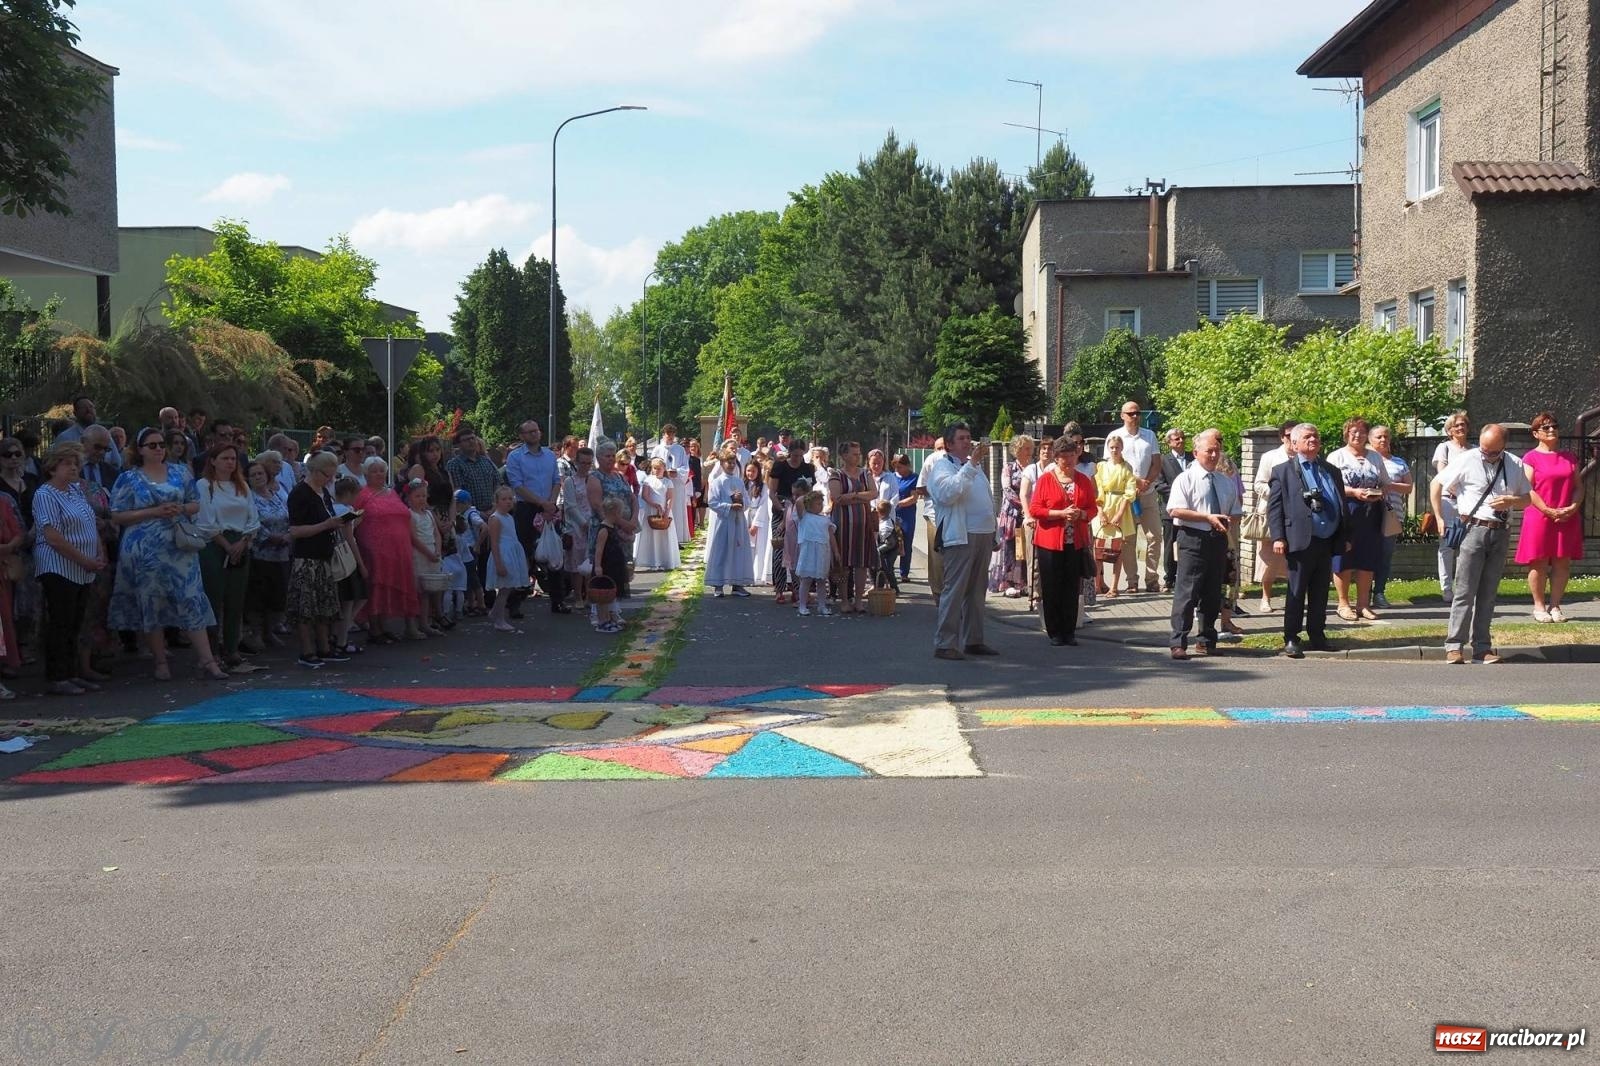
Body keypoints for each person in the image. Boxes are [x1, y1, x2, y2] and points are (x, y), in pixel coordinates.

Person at [108, 427, 225, 680]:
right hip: (144, 549)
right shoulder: (128, 478)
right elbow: (117, 514)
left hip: (178, 546)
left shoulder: (180, 472)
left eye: (161, 444)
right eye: (152, 445)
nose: (159, 448)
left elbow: (196, 503)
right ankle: (160, 662)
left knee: (190, 597)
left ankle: (207, 660)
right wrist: (153, 512)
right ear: (139, 449)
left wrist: (180, 508)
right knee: (152, 603)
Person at [1431, 424, 1534, 664]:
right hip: (1474, 529)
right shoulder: (1468, 459)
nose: (1486, 455)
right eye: (1483, 449)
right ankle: (1454, 646)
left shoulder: (1514, 464)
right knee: (1465, 591)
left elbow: (1527, 499)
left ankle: (1482, 648)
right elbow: (1437, 483)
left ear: (1503, 447)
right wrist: (1439, 517)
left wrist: (1511, 500)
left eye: (1492, 452)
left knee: (1488, 593)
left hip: (1501, 531)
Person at [31, 443, 108, 695]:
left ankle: (73, 672)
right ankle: (57, 676)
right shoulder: (45, 494)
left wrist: (98, 552)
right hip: (59, 567)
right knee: (60, 622)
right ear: (52, 468)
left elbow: (89, 523)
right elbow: (53, 536)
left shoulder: (75, 491)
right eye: (67, 463)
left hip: (84, 568)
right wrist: (83, 559)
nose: (74, 467)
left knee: (76, 621)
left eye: (76, 463)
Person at [1268, 423, 1349, 659]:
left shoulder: (1331, 470)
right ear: (1294, 444)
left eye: (1316, 436)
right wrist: (1278, 537)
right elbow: (1275, 509)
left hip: (1326, 541)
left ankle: (1317, 635)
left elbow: (1341, 503)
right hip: (1299, 541)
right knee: (1296, 591)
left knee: (1321, 592)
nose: (1313, 439)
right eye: (1307, 437)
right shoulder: (1283, 471)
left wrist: (1344, 536)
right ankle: (1291, 637)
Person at [1165, 429, 1242, 660]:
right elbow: (1175, 510)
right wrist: (1207, 517)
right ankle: (1178, 641)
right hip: (1193, 538)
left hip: (1217, 539)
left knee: (1211, 593)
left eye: (1217, 451)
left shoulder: (1225, 481)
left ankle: (1207, 640)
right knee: (1187, 592)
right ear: (1196, 452)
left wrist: (1229, 520)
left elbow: (1236, 510)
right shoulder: (1186, 478)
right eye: (1209, 450)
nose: (1214, 454)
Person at [927, 422, 998, 660]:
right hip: (960, 535)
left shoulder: (973, 467)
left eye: (969, 437)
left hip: (982, 534)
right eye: (961, 439)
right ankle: (945, 643)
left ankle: (974, 640)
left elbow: (986, 499)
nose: (968, 442)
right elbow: (948, 494)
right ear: (949, 444)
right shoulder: (941, 467)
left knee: (978, 591)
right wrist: (971, 465)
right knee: (955, 590)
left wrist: (993, 531)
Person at [1027, 435, 1097, 646]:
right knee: (1052, 586)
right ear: (1056, 458)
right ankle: (1055, 631)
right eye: (1064, 456)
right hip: (1049, 542)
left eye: (1072, 455)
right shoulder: (1045, 480)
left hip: (1075, 541)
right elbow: (1035, 509)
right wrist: (1060, 513)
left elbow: (1092, 508)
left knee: (1071, 587)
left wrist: (1081, 515)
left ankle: (1070, 631)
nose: (1069, 460)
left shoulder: (1083, 480)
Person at [195, 442, 259, 668]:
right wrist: (225, 544)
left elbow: (253, 518)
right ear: (213, 460)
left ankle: (232, 648)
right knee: (213, 600)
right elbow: (205, 521)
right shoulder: (204, 485)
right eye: (225, 458)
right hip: (214, 545)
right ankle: (211, 652)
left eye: (233, 458)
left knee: (235, 600)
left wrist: (243, 542)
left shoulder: (242, 486)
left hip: (240, 543)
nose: (230, 462)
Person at [1517, 412, 1586, 623]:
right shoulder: (1530, 458)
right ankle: (1539, 607)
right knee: (1538, 562)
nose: (1551, 430)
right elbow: (1527, 489)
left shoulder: (1569, 457)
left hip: (1566, 516)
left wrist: (1573, 507)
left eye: (1554, 426)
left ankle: (1555, 606)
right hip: (1539, 516)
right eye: (1545, 427)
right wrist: (1547, 509)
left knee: (1562, 562)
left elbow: (1579, 487)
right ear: (1536, 433)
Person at [284, 451, 349, 669]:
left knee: (324, 607)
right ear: (313, 470)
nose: (329, 479)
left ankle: (324, 648)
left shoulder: (323, 492)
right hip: (306, 558)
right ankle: (307, 651)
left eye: (332, 476)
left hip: (324, 556)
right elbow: (295, 530)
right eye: (325, 475)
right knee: (306, 608)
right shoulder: (300, 494)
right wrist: (326, 525)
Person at [1327, 418, 1391, 622]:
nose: (1358, 435)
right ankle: (1343, 604)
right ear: (1346, 434)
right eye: (1353, 432)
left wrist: (1378, 492)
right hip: (1346, 512)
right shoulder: (1336, 457)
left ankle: (1363, 604)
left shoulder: (1375, 457)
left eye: (1362, 432)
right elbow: (1330, 486)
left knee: (1367, 559)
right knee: (1343, 559)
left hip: (1371, 513)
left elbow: (1385, 483)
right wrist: (1354, 492)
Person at [354, 456, 418, 643]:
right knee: (377, 585)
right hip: (374, 549)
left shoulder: (391, 492)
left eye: (381, 470)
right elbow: (353, 521)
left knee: (391, 584)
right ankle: (374, 628)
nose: (379, 474)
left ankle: (383, 625)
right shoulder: (362, 494)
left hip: (399, 549)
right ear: (366, 474)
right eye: (374, 471)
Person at [505, 420, 566, 615]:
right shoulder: (515, 457)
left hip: (549, 508)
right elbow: (517, 485)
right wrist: (541, 503)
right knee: (523, 555)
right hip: (526, 509)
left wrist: (551, 504)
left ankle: (558, 600)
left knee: (554, 552)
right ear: (522, 436)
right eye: (528, 432)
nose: (533, 435)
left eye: (536, 431)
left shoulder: (549, 455)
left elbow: (557, 481)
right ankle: (514, 602)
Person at [1107, 400, 1162, 592]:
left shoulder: (1149, 435)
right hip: (1127, 496)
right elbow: (1112, 466)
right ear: (1122, 415)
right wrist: (1135, 482)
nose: (1135, 416)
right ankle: (1132, 580)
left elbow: (1157, 463)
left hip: (1148, 494)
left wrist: (1146, 482)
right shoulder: (1115, 437)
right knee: (1128, 539)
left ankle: (1152, 578)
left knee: (1154, 536)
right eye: (1130, 413)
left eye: (1137, 413)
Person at [1250, 420, 1297, 613]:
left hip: (1296, 515)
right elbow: (1258, 484)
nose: (1291, 440)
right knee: (1269, 558)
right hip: (1273, 512)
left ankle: (1293, 598)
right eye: (1288, 436)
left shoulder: (1305, 457)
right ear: (1281, 437)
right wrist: (1279, 492)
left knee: (1293, 557)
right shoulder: (1270, 457)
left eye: (1295, 436)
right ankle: (1265, 598)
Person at [829, 442, 877, 612]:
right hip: (842, 524)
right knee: (842, 562)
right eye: (854, 454)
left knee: (861, 562)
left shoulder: (865, 474)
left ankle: (858, 600)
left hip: (863, 523)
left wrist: (852, 495)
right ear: (844, 456)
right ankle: (844, 600)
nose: (858, 457)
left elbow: (873, 493)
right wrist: (861, 497)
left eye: (859, 453)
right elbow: (836, 497)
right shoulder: (836, 474)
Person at [586, 440, 638, 597]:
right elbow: (598, 506)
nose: (610, 459)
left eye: (612, 455)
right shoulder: (595, 477)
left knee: (622, 567)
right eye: (606, 456)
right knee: (607, 566)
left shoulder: (620, 476)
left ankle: (616, 606)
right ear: (599, 458)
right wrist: (620, 526)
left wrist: (633, 520)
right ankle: (601, 605)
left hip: (626, 527)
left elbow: (632, 498)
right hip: (607, 530)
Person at [1369, 425, 1413, 609]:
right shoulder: (1367, 460)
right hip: (1369, 514)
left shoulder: (1399, 462)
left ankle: (1379, 592)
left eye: (1386, 436)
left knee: (1385, 556)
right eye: (1379, 436)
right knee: (1366, 554)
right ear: (1370, 439)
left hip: (1391, 515)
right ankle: (1362, 594)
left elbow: (1409, 487)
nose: (1383, 440)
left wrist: (1390, 485)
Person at [1432, 411, 1473, 601]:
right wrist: (1457, 490)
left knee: (1468, 546)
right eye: (1456, 425)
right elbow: (1442, 474)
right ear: (1449, 430)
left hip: (1470, 503)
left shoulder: (1474, 450)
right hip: (1449, 500)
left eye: (1463, 424)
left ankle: (1464, 586)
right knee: (1448, 545)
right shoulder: (1445, 448)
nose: (1460, 427)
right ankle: (1447, 588)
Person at [705, 449, 755, 597]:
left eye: (733, 462)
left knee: (738, 551)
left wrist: (741, 501)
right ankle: (718, 585)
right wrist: (729, 505)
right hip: (724, 521)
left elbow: (747, 501)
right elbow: (712, 502)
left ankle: (737, 584)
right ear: (722, 463)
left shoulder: (739, 481)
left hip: (738, 521)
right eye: (729, 462)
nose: (732, 465)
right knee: (722, 551)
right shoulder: (717, 482)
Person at [1092, 434, 1138, 597]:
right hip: (1104, 506)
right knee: (1099, 548)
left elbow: (1130, 491)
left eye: (1117, 447)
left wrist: (1120, 513)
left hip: (1121, 507)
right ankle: (1097, 584)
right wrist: (1100, 511)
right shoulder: (1101, 467)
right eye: (1111, 447)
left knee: (1118, 550)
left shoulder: (1127, 467)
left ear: (1121, 448)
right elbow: (1097, 490)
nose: (1114, 450)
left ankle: (1114, 587)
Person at [484, 486, 529, 633]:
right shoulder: (495, 519)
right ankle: (499, 620)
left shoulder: (509, 517)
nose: (508, 502)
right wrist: (498, 563)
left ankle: (495, 613)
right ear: (496, 502)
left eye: (510, 499)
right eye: (504, 499)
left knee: (508, 587)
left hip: (512, 553)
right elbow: (495, 543)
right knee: (504, 589)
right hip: (503, 555)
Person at [995, 435, 1033, 597]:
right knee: (1011, 547)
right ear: (1017, 450)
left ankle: (1022, 582)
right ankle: (1008, 583)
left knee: (1024, 548)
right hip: (1013, 514)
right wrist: (1023, 506)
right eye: (1026, 448)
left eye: (1031, 448)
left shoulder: (1033, 468)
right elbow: (1008, 490)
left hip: (1029, 514)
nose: (1030, 451)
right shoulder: (1009, 468)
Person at [1156, 428, 1193, 593]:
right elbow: (1159, 484)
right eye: (1177, 439)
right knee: (1171, 545)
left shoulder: (1193, 457)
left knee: (1189, 543)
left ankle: (1186, 576)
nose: (1181, 441)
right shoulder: (1163, 461)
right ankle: (1169, 578)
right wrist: (1180, 493)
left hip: (1192, 511)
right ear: (1169, 442)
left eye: (1182, 438)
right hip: (1171, 510)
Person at [406, 479, 445, 636]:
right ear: (409, 498)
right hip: (419, 555)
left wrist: (437, 550)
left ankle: (424, 623)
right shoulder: (410, 514)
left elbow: (436, 533)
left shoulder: (428, 513)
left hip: (432, 553)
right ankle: (411, 626)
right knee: (415, 591)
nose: (421, 499)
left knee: (427, 591)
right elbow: (414, 538)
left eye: (423, 495)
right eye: (417, 496)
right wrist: (428, 553)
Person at [793, 489, 837, 618]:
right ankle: (802, 605)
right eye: (817, 503)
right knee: (806, 580)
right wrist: (809, 494)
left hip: (822, 552)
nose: (820, 505)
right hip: (809, 552)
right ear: (809, 505)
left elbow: (831, 535)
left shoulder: (825, 519)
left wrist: (836, 551)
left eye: (821, 503)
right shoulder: (804, 516)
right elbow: (798, 502)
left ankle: (822, 605)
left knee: (822, 580)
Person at [561, 446, 597, 603]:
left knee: (591, 563)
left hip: (593, 524)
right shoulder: (570, 481)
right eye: (583, 463)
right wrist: (583, 523)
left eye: (589, 463)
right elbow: (570, 505)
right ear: (577, 462)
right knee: (577, 564)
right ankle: (578, 596)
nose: (586, 466)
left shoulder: (594, 479)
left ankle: (590, 595)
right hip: (576, 527)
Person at [591, 498, 630, 633]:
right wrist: (597, 566)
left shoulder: (613, 528)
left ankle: (610, 618)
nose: (621, 515)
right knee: (602, 596)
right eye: (620, 512)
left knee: (610, 595)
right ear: (614, 512)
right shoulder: (604, 530)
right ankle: (602, 621)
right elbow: (599, 549)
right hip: (605, 566)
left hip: (614, 566)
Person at [916, 438, 947, 598]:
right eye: (938, 448)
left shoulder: (963, 461)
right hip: (934, 514)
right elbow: (920, 487)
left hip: (956, 517)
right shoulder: (931, 460)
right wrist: (939, 492)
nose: (942, 451)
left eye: (944, 447)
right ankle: (938, 593)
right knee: (937, 557)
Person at [651, 425, 691, 546]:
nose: (670, 436)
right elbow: (652, 466)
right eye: (668, 433)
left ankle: (676, 540)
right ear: (664, 434)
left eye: (672, 433)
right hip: (662, 484)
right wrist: (663, 472)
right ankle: (663, 538)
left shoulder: (679, 449)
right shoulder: (657, 449)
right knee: (664, 508)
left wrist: (677, 472)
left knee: (676, 510)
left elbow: (686, 467)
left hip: (676, 483)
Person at [635, 458, 678, 572]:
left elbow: (670, 497)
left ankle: (665, 560)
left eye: (659, 468)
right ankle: (653, 560)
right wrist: (655, 505)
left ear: (664, 469)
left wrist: (667, 511)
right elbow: (645, 495)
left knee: (664, 534)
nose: (657, 470)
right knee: (652, 535)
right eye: (655, 468)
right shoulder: (648, 480)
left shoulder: (668, 482)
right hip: (652, 510)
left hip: (664, 510)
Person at [890, 454, 919, 585]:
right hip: (891, 514)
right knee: (891, 542)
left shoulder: (914, 478)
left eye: (900, 467)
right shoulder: (891, 477)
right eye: (895, 467)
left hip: (907, 514)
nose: (898, 470)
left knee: (906, 542)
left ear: (907, 466)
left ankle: (904, 572)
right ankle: (889, 570)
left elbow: (913, 498)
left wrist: (897, 503)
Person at [745, 459, 772, 586]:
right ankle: (745, 575)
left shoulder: (763, 487)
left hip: (758, 519)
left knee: (758, 548)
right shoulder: (742, 485)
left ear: (758, 472)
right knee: (746, 548)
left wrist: (756, 524)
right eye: (748, 470)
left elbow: (763, 506)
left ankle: (757, 575)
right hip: (745, 517)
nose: (750, 473)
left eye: (753, 471)